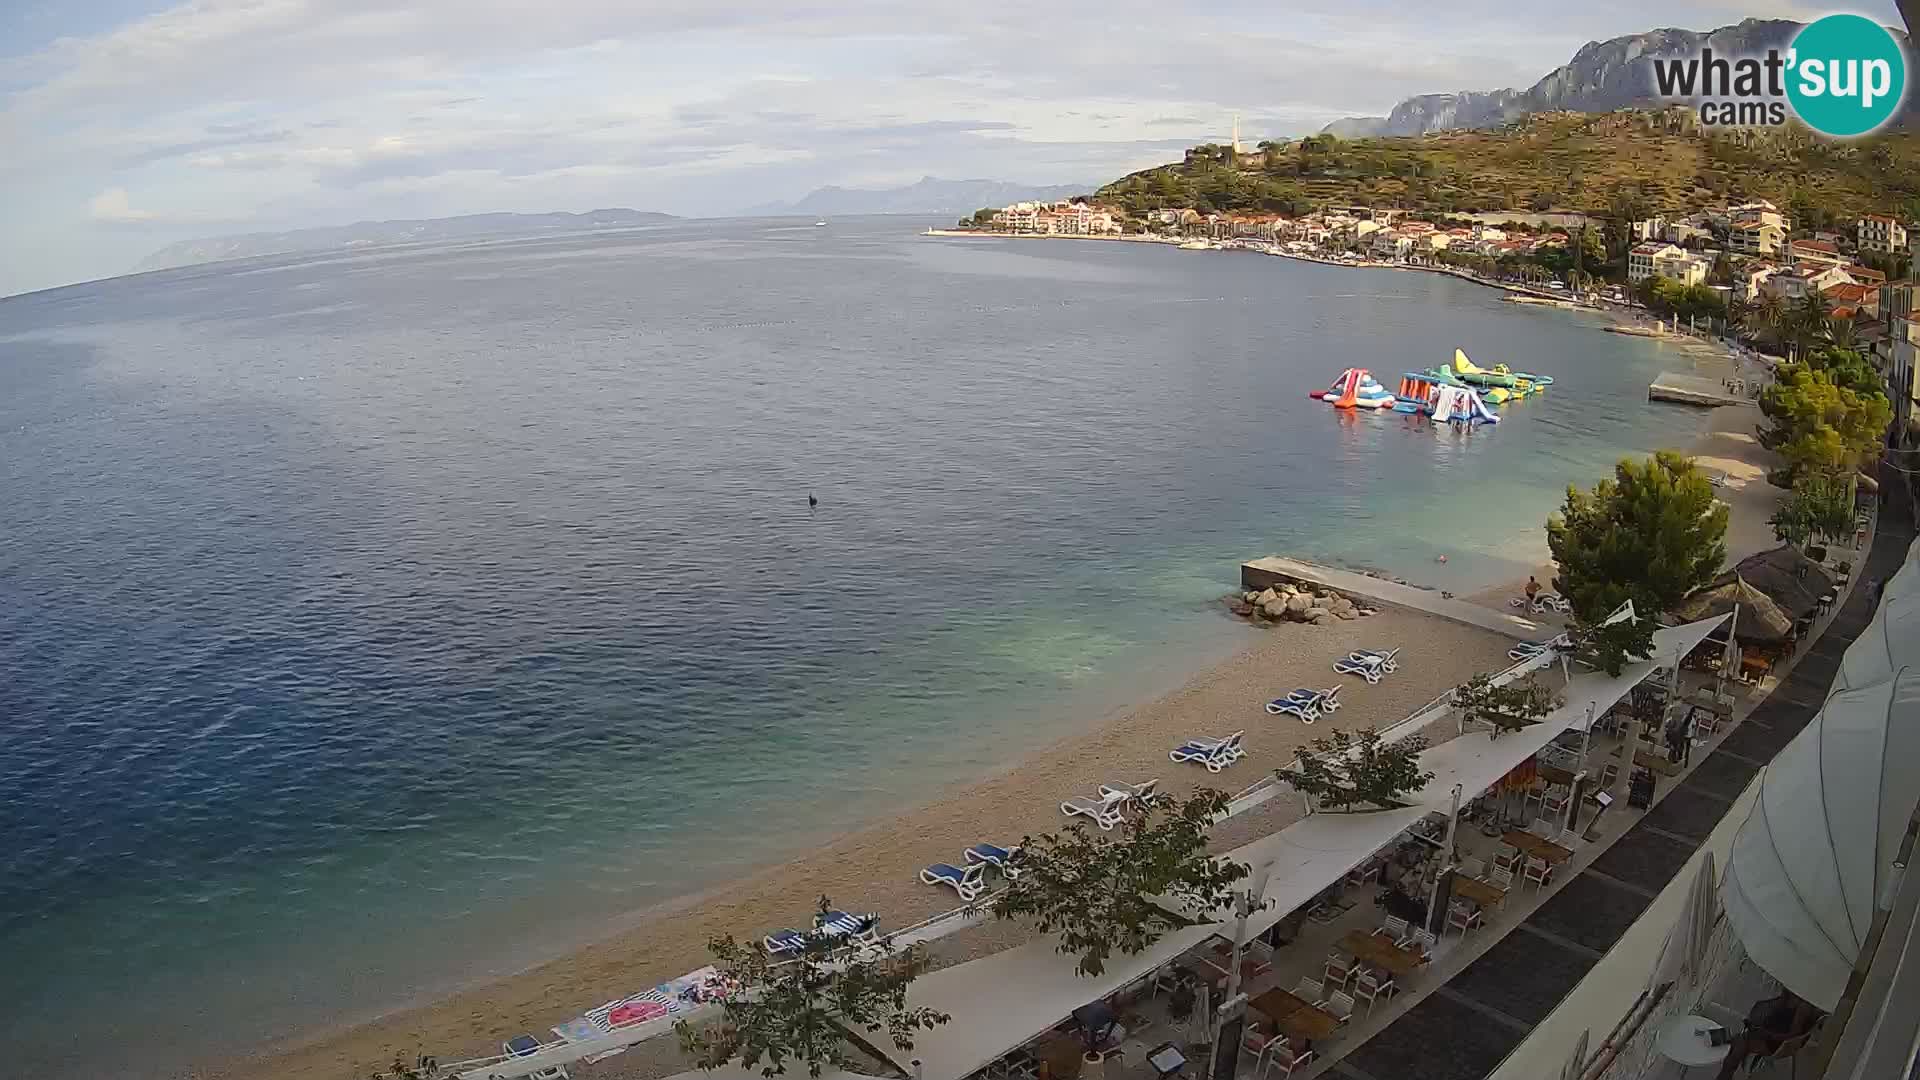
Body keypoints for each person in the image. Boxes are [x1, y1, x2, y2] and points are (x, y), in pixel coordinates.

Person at [1714, 989, 1820, 1079]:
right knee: (1736, 1037)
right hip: (1764, 1032)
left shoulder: (1804, 1006)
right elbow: (1771, 1009)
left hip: (1774, 1042)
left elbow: (1793, 1036)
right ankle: (1706, 1040)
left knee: (1738, 1045)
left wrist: (1767, 1034)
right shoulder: (1789, 993)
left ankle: (1709, 1043)